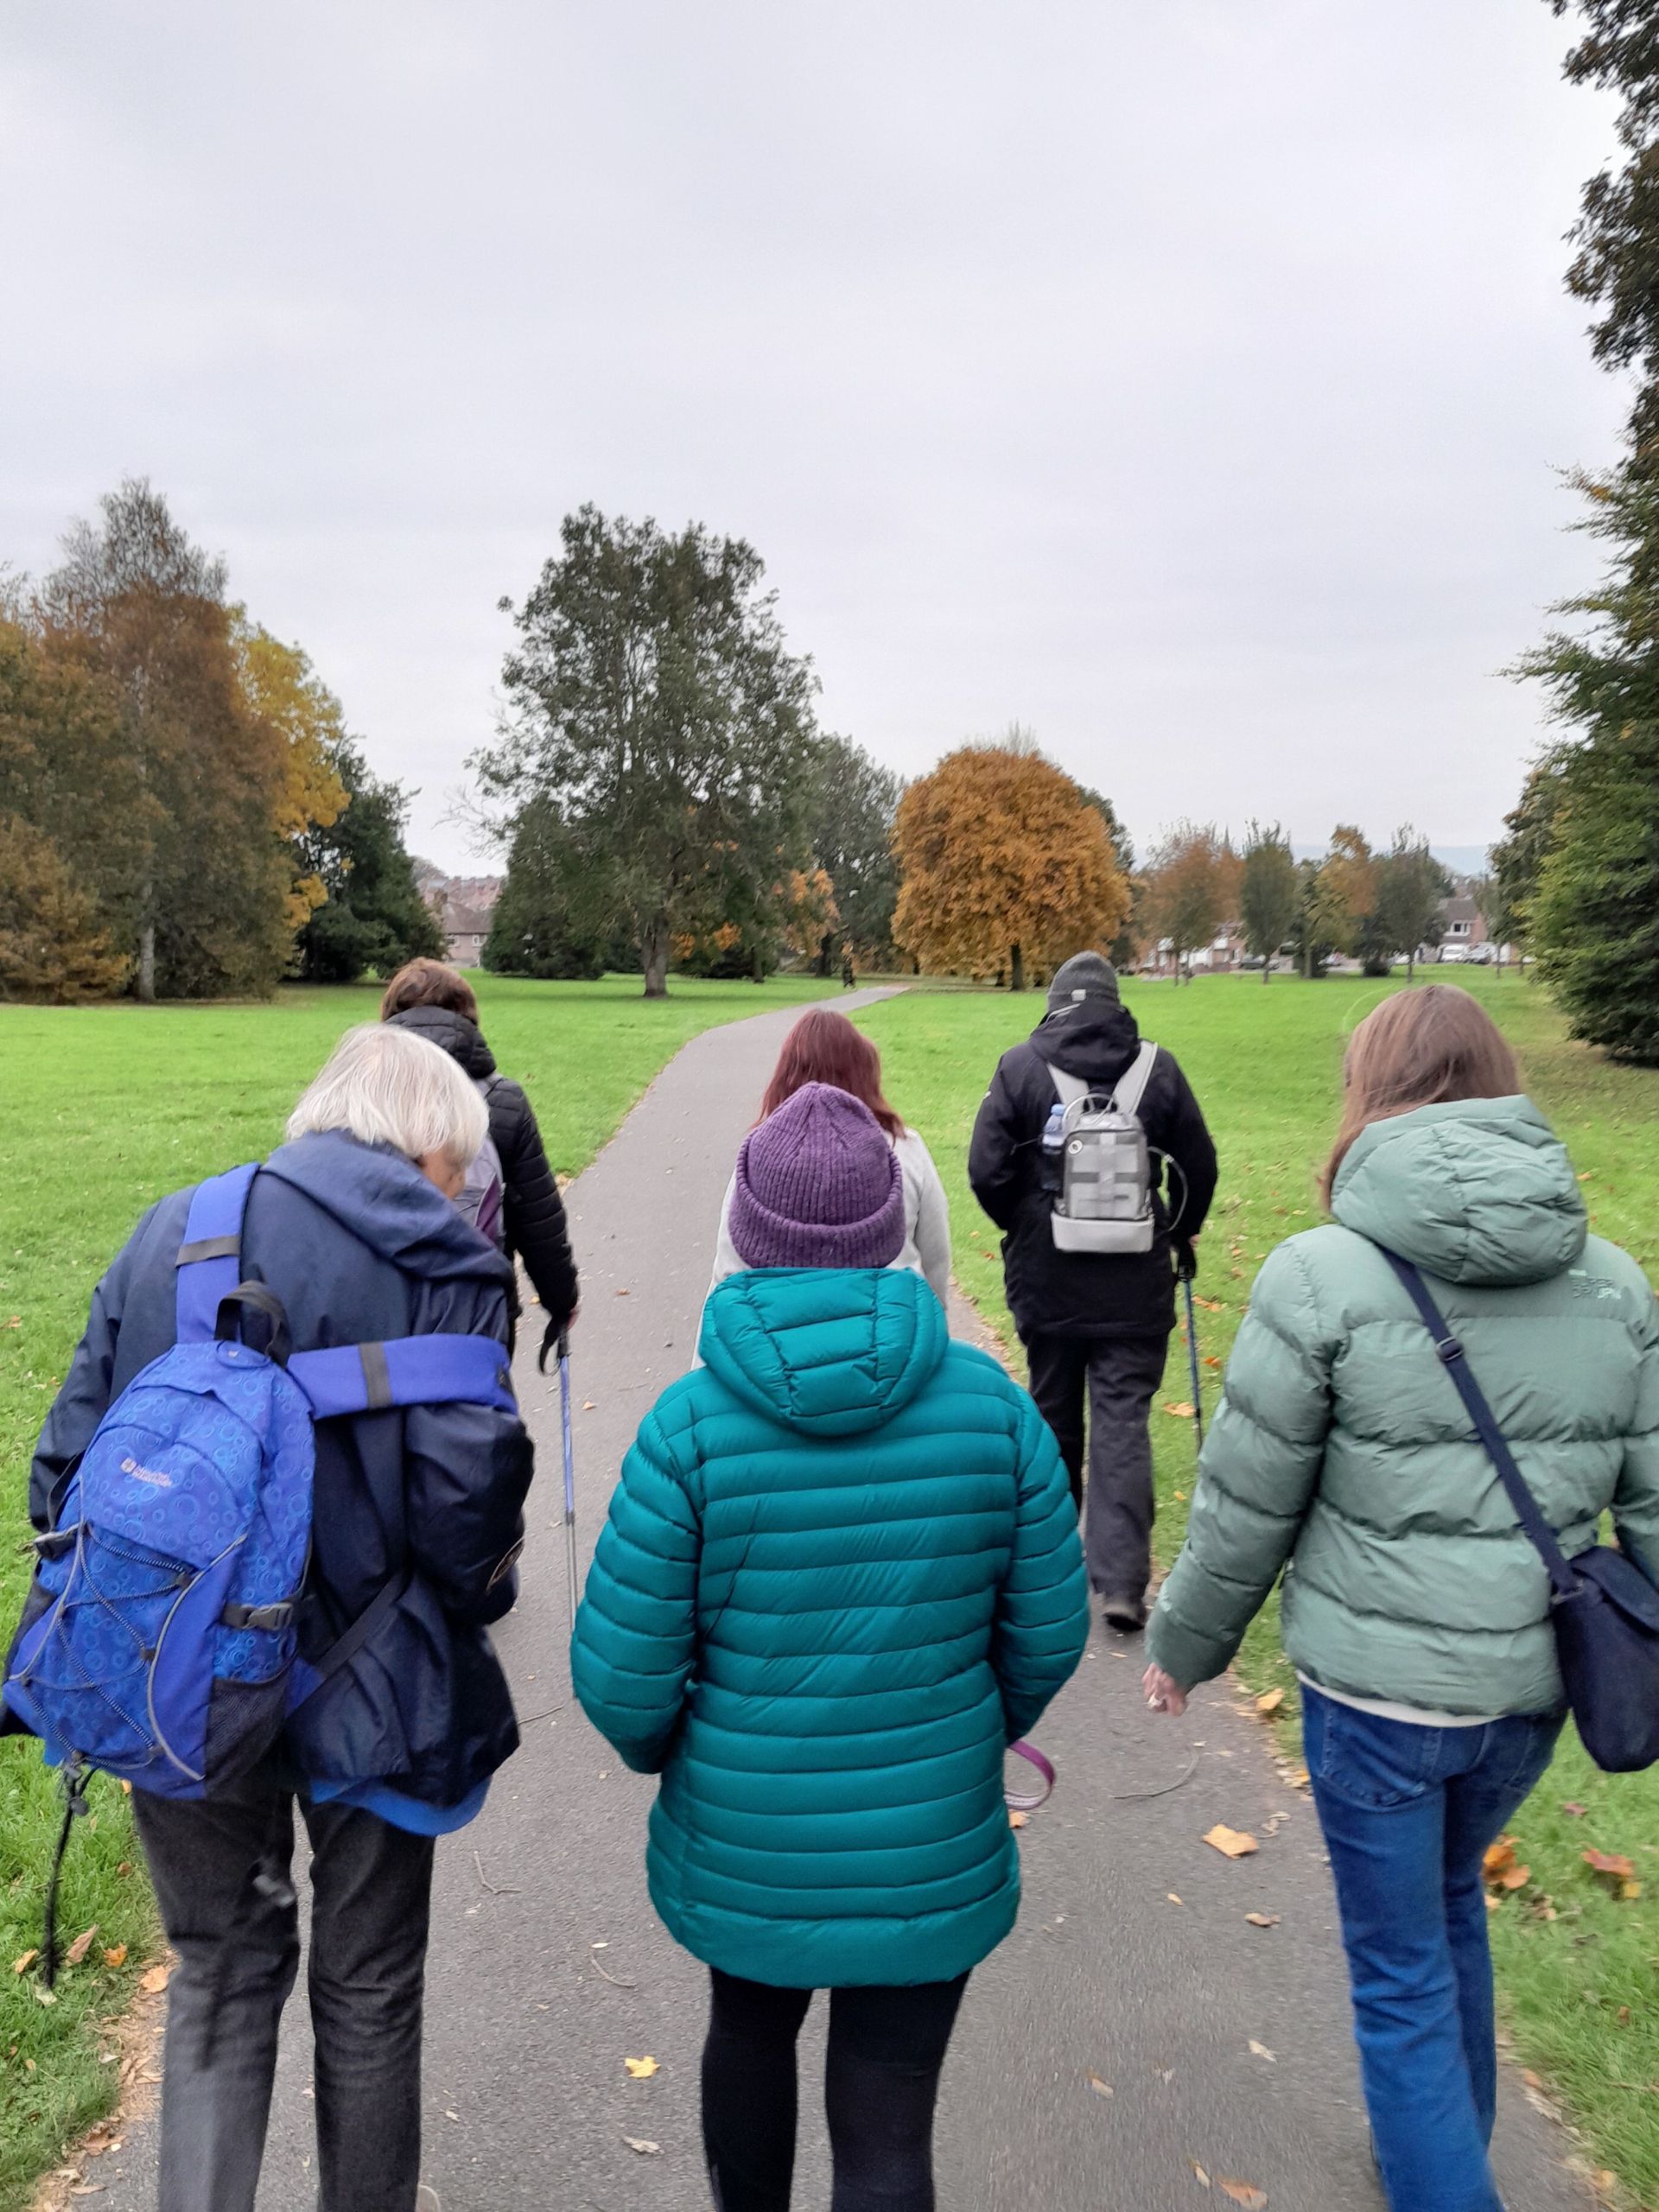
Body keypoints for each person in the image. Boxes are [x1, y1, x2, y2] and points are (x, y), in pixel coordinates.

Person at [1142, 985, 1659, 2212]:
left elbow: (1245, 1503)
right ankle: (1441, 2151)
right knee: (1446, 1908)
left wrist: (1184, 1644)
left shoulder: (1317, 1276)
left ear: (1369, 1092)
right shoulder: (1613, 1284)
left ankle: (1441, 2175)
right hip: (1526, 1693)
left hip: (1376, 1703)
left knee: (1399, 1972)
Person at [21, 1025, 534, 2212]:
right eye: (456, 1168)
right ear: (424, 1147)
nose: (458, 1189)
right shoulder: (448, 1265)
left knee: (218, 1972)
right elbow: (468, 1526)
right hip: (375, 1683)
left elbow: (62, 1475)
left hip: (180, 1677)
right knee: (368, 1991)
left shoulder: (173, 1229)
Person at [573, 1082, 1088, 2212]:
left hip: (747, 1837)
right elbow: (1051, 1630)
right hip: (930, 1839)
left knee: (748, 2039)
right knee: (890, 2121)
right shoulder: (996, 1412)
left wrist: (683, 1751)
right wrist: (974, 1724)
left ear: (745, 1229)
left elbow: (619, 1676)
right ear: (893, 1226)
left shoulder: (688, 1430)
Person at [968, 951, 1217, 1631]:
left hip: (1047, 1279)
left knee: (1052, 1415)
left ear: (1054, 1005)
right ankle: (1122, 1584)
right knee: (1122, 1421)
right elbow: (1198, 1166)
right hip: (1135, 1285)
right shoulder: (1158, 1069)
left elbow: (986, 1170)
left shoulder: (1020, 1067)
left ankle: (1049, 1569)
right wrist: (1179, 1229)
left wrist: (1025, 1224)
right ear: (1116, 1003)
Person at [381, 959, 579, 1357]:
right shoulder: (503, 1101)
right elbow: (538, 1220)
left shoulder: (363, 1098)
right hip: (480, 1313)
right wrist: (561, 1300)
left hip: (379, 1312)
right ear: (469, 1019)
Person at [709, 1005, 952, 1309]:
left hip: (778, 1326)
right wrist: (935, 1321)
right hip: (891, 1321)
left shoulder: (760, 1154)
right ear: (863, 1071)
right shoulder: (904, 1149)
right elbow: (935, 1253)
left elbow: (728, 1265)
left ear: (785, 1076)